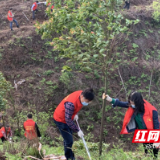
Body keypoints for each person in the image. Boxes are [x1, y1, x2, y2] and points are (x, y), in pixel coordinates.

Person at [104, 91, 159, 159]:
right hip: (144, 134)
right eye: (131, 102)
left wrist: (157, 141)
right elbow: (122, 103)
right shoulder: (134, 106)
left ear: (138, 102)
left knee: (154, 154)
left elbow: (157, 125)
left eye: (133, 103)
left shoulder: (152, 110)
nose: (131, 104)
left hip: (153, 134)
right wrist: (110, 99)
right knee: (147, 152)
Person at [53, 89, 94, 160]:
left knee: (68, 138)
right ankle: (69, 157)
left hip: (67, 117)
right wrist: (78, 130)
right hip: (60, 119)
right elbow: (68, 120)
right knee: (69, 141)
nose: (87, 103)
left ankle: (70, 155)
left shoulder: (81, 94)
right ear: (82, 97)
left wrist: (75, 114)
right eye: (87, 102)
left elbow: (76, 107)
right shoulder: (71, 104)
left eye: (89, 102)